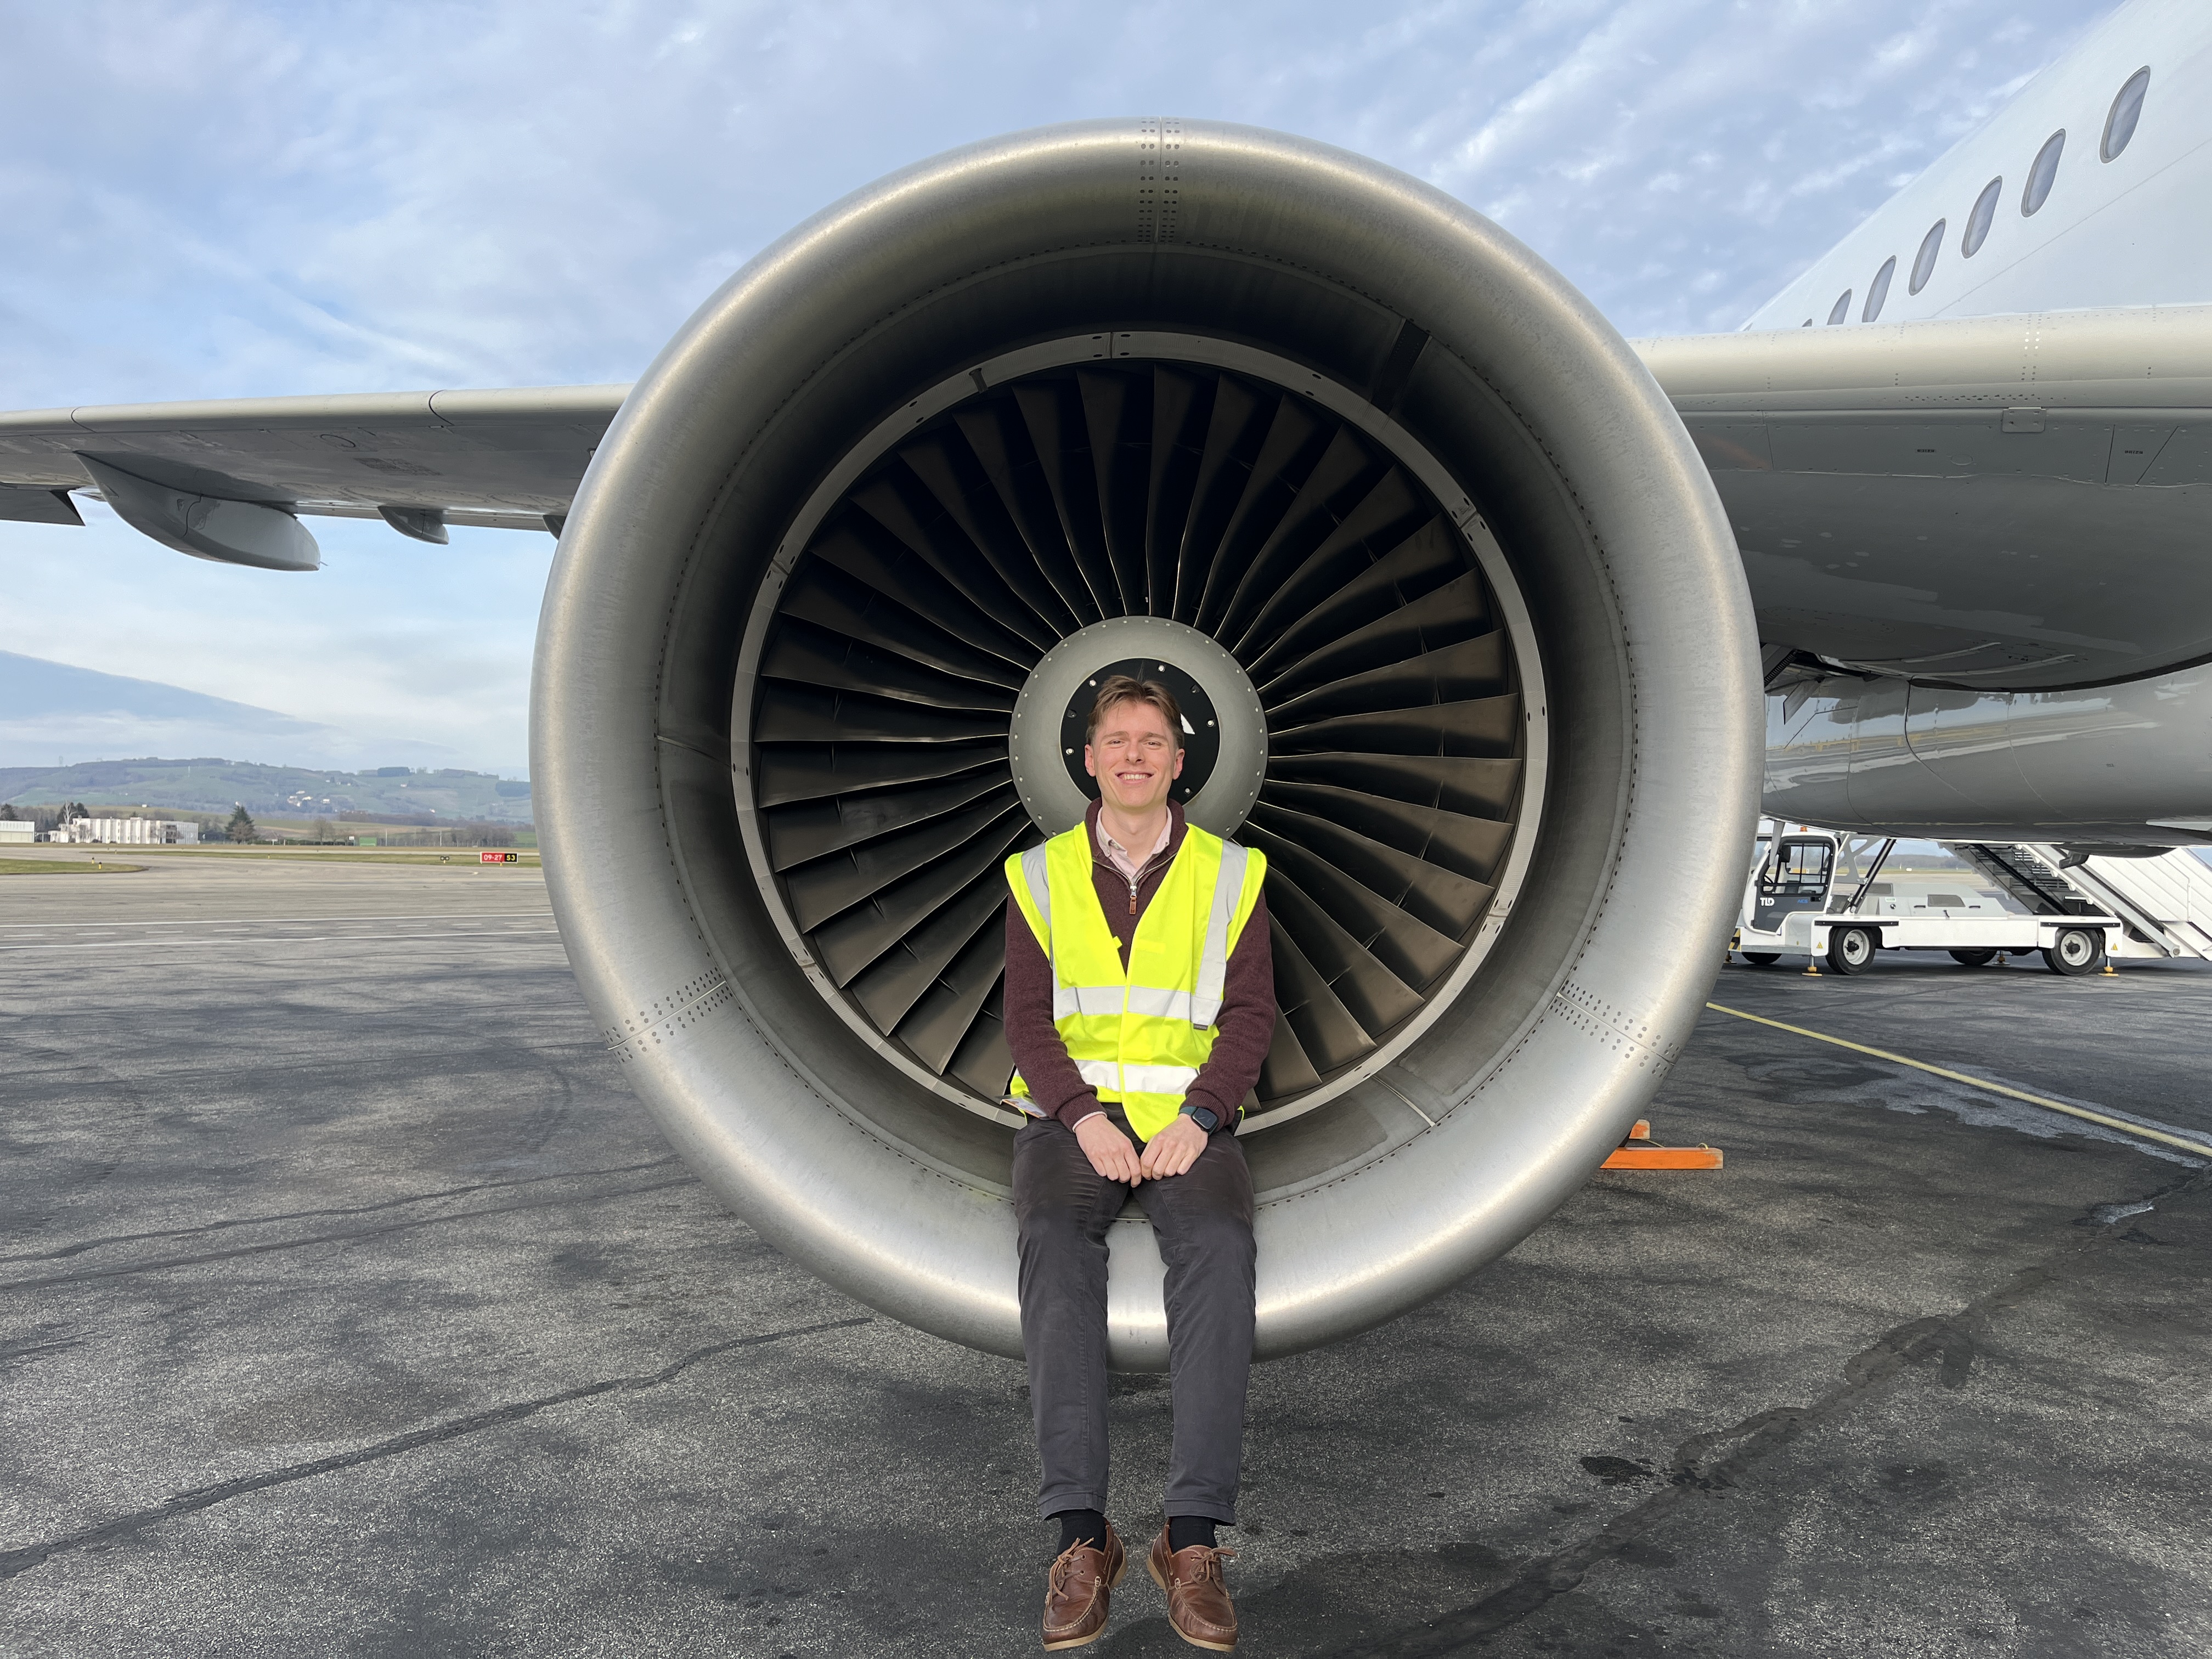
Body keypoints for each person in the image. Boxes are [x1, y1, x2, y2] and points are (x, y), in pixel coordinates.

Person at [1002, 674, 1276, 1652]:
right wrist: (1080, 1117)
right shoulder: (1036, 875)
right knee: (1051, 1244)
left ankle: (1191, 1541)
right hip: (1073, 1125)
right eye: (1115, 740)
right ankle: (1083, 1538)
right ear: (1087, 759)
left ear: (1177, 759)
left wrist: (1202, 1114)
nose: (1132, 755)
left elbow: (1250, 1017)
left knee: (1219, 1248)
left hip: (1187, 1124)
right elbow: (1027, 1022)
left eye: (1151, 741)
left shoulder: (1232, 874)